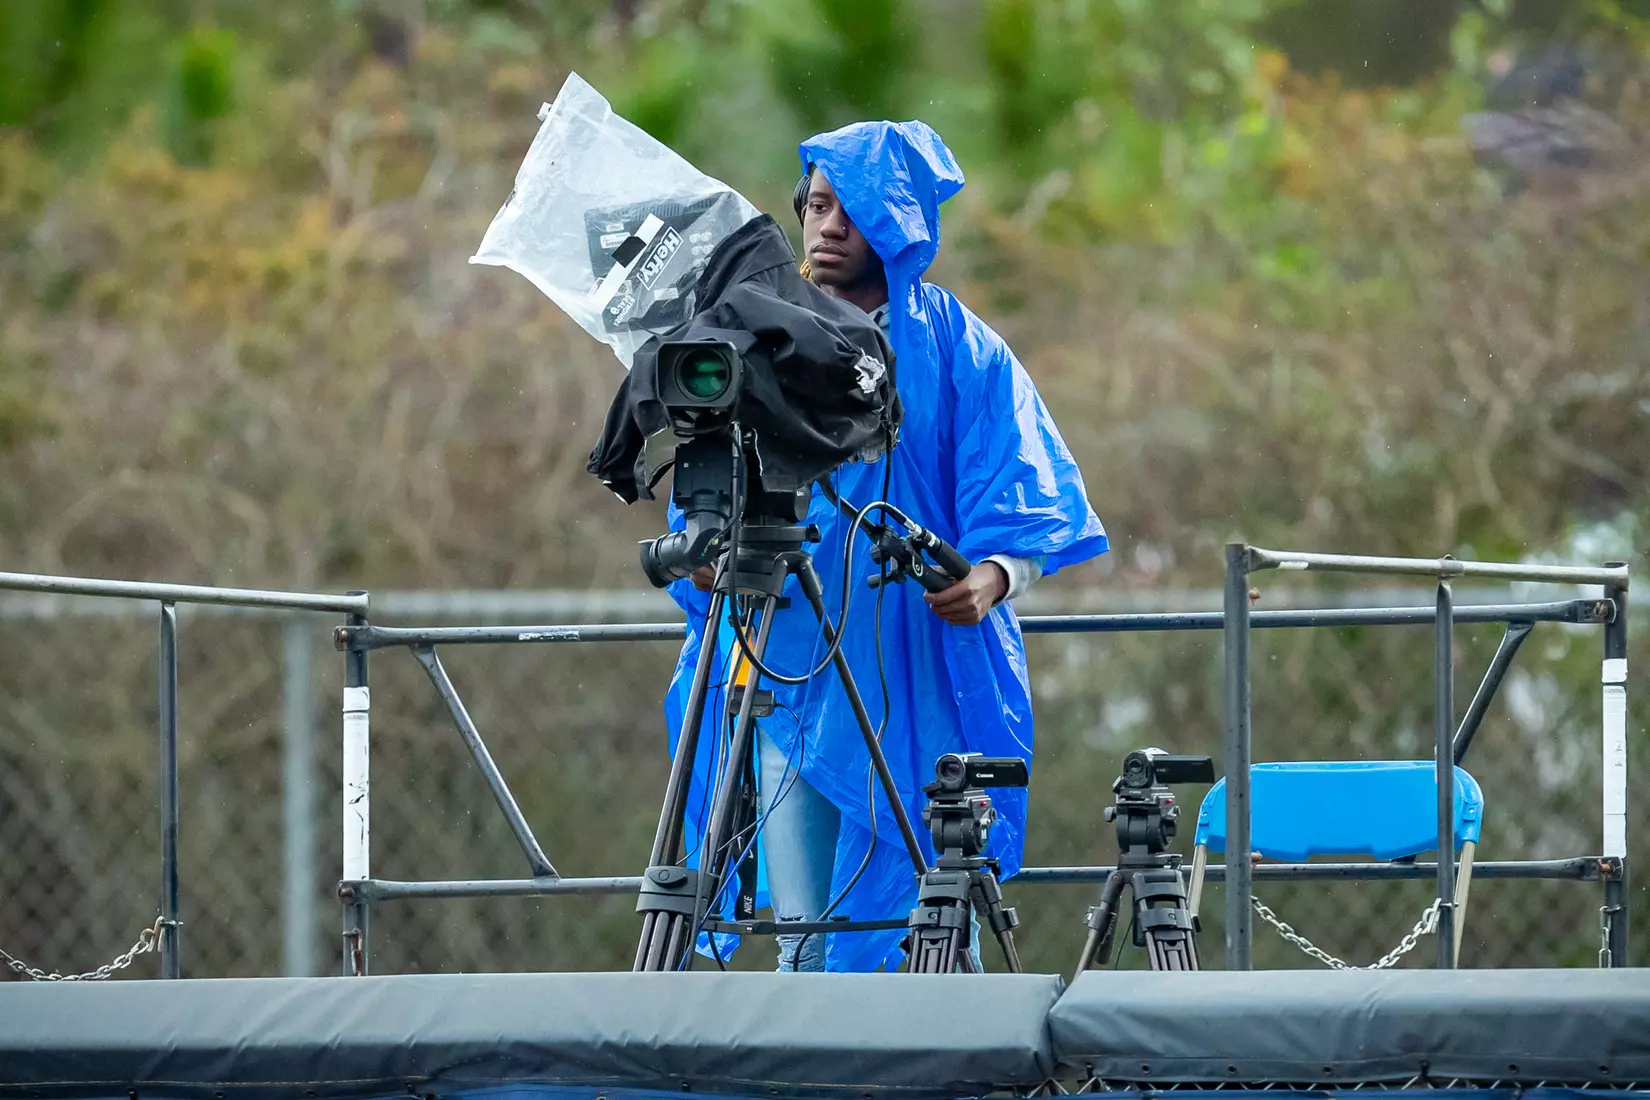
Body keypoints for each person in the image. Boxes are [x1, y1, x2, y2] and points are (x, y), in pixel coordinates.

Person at [662, 119, 1107, 972]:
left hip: (913, 668)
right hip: (783, 668)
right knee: (807, 931)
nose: (828, 227)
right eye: (818, 207)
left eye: (852, 211)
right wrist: (706, 551)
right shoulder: (754, 333)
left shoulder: (955, 347)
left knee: (929, 912)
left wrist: (998, 574)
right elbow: (705, 482)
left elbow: (1025, 477)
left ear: (897, 223)